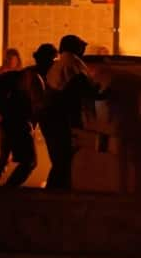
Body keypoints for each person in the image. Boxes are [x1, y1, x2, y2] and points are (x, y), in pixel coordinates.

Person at [0, 44, 58, 187]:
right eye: (53, 60)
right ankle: (9, 191)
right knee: (30, 162)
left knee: (4, 158)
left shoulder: (28, 73)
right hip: (19, 124)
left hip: (7, 121)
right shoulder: (34, 77)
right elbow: (38, 106)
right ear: (47, 60)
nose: (55, 64)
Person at [40, 34, 99, 189]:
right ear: (74, 48)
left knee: (61, 160)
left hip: (51, 117)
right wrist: (100, 93)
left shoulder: (60, 64)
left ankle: (56, 193)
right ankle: (54, 195)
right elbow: (81, 86)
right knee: (63, 160)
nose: (84, 50)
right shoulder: (73, 63)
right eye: (82, 46)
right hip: (59, 118)